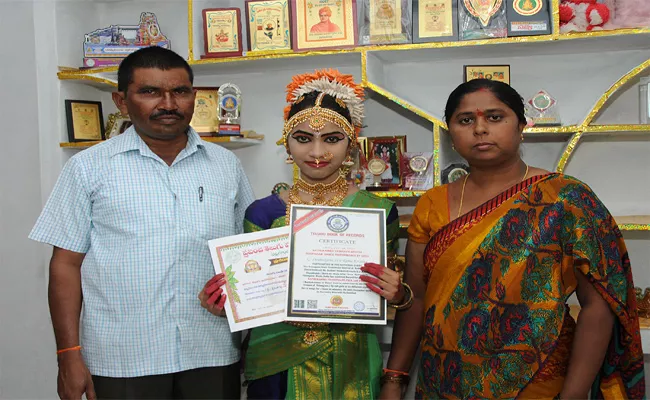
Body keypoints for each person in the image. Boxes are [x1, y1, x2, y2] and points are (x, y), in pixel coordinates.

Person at [380, 79, 645, 399]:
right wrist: (394, 380)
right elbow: (416, 300)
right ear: (451, 133)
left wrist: (573, 395)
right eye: (465, 120)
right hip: (445, 383)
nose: (480, 129)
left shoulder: (566, 199)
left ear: (521, 126)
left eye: (494, 117)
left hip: (537, 382)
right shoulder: (432, 204)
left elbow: (598, 305)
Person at [30, 46, 254, 399]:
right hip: (122, 359)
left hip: (210, 351)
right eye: (149, 92)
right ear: (121, 101)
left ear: (194, 96)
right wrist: (68, 356)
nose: (168, 103)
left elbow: (245, 254)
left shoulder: (226, 166)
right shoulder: (88, 168)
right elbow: (65, 265)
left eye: (179, 92)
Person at [199, 69, 413, 399]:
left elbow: (391, 297)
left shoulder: (378, 211)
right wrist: (227, 303)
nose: (316, 152)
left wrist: (398, 294)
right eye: (303, 138)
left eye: (331, 139)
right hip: (278, 363)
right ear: (287, 142)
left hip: (351, 360)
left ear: (351, 143)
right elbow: (254, 294)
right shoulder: (263, 213)